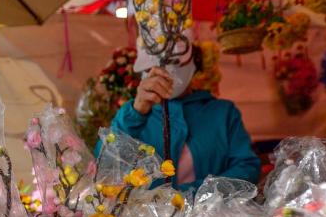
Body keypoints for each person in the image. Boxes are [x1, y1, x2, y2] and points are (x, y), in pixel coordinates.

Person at [106, 47, 261, 191]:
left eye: (175, 62)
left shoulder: (222, 112)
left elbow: (247, 167)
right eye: (150, 66)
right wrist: (136, 112)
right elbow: (105, 167)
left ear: (194, 63)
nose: (163, 70)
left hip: (214, 216)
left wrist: (195, 194)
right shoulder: (133, 115)